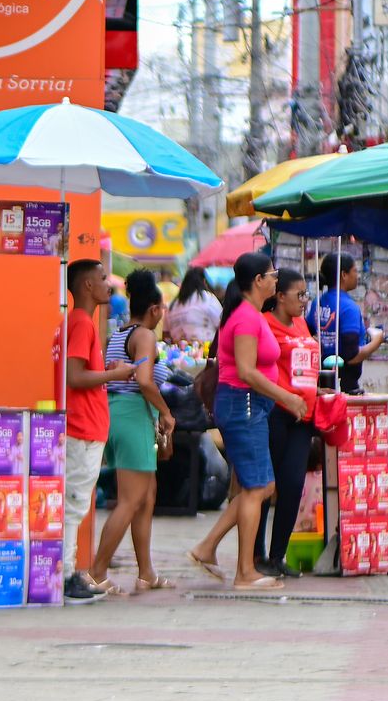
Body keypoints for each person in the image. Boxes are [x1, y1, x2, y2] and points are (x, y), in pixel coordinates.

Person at [187, 253, 307, 590]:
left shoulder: (249, 314)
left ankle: (207, 547)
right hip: (245, 405)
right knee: (257, 489)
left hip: (250, 406)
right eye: (272, 275)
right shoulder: (246, 317)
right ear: (258, 281)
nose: (275, 280)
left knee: (262, 487)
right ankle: (244, 572)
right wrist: (286, 397)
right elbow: (246, 371)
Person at [89, 269, 176, 596]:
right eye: (162, 310)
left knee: (145, 497)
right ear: (154, 309)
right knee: (128, 501)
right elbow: (143, 381)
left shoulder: (118, 334)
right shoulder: (145, 336)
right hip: (133, 417)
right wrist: (166, 412)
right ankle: (97, 572)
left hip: (116, 415)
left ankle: (146, 572)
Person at [59, 258, 138, 604]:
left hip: (84, 425)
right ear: (87, 286)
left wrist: (104, 369)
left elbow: (79, 371)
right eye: (103, 278)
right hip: (81, 426)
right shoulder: (82, 324)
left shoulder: (78, 323)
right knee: (73, 504)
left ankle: (66, 572)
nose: (110, 284)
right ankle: (64, 576)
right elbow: (74, 378)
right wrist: (114, 375)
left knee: (74, 501)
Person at [253, 267, 318, 577]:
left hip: (303, 415)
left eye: (306, 294)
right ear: (279, 296)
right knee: (265, 487)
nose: (304, 300)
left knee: (292, 485)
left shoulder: (303, 324)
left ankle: (278, 555)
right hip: (275, 412)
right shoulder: (264, 325)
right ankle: (255, 555)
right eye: (299, 294)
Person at [313, 252, 384, 392]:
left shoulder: (318, 302)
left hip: (320, 381)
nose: (357, 275)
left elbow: (310, 331)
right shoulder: (348, 307)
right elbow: (351, 356)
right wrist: (376, 341)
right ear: (344, 275)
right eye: (355, 270)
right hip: (345, 384)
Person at [164, 265, 222, 346]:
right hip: (204, 350)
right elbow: (222, 324)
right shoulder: (208, 298)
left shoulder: (172, 305)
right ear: (204, 282)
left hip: (179, 353)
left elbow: (166, 334)